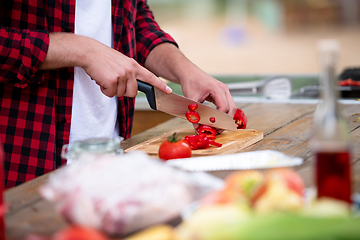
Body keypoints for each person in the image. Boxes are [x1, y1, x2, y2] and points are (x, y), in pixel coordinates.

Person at [0, 0, 237, 188]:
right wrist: (82, 50)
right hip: (23, 169)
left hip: (110, 167)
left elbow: (136, 22)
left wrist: (185, 71)